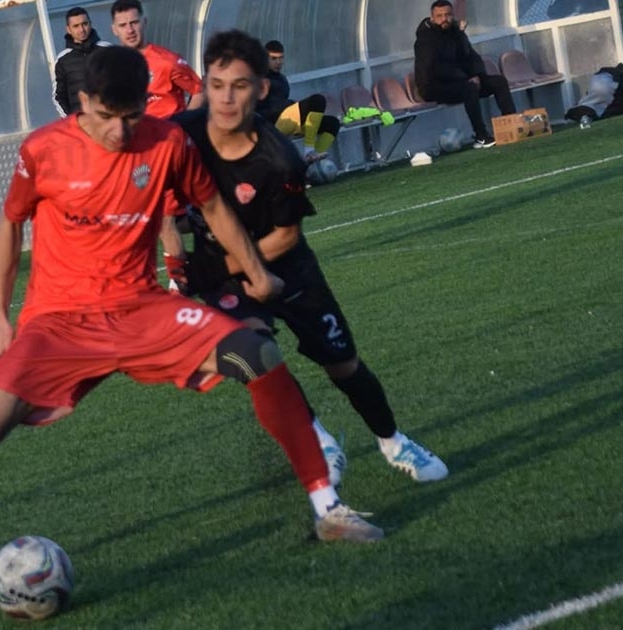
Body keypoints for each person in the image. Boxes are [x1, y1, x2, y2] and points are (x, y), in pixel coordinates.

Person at [0, 45, 383, 619]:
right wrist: (0, 321)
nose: (121, 131)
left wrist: (256, 272)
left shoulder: (166, 143)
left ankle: (328, 509)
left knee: (257, 353)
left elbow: (213, 207)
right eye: (108, 117)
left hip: (140, 308)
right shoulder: (43, 150)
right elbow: (11, 224)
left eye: (132, 116)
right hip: (58, 323)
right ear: (84, 101)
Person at [164, 30, 448, 488]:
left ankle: (393, 441)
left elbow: (285, 236)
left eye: (239, 85)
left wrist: (215, 269)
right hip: (224, 275)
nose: (226, 98)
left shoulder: (280, 159)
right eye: (216, 85)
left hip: (286, 266)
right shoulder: (180, 135)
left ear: (261, 89)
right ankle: (318, 439)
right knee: (256, 357)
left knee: (344, 366)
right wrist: (175, 253)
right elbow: (145, 181)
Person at [414, 0, 516, 148]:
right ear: (432, 18)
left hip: (459, 81)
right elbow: (434, 68)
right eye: (440, 16)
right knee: (469, 89)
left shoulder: (456, 33)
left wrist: (477, 74)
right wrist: (465, 78)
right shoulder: (425, 39)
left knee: (499, 82)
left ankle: (512, 125)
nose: (444, 19)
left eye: (448, 15)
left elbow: (470, 56)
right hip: (432, 87)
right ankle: (481, 136)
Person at [110, 0, 205, 118]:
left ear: (144, 22)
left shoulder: (167, 60)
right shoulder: (112, 66)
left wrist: (185, 122)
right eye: (123, 25)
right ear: (114, 30)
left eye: (134, 22)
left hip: (167, 126)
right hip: (134, 128)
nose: (130, 30)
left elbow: (199, 91)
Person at [255, 40, 341, 163]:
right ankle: (309, 151)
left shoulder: (282, 79)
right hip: (273, 123)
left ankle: (313, 162)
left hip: (288, 119)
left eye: (281, 58)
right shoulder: (259, 79)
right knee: (318, 100)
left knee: (332, 123)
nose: (278, 62)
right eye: (273, 59)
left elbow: (282, 101)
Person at [54, 6, 111, 116]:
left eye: (84, 24)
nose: (81, 29)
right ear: (68, 29)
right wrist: (72, 120)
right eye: (76, 26)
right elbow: (58, 97)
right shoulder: (62, 60)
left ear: (90, 24)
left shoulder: (108, 50)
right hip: (81, 122)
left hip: (109, 118)